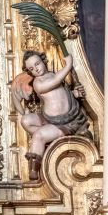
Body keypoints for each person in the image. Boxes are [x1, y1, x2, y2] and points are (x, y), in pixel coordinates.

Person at [13, 50, 90, 181]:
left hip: (66, 121)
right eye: (31, 68)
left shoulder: (53, 74)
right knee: (25, 120)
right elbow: (55, 82)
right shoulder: (38, 83)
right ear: (29, 71)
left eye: (37, 64)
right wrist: (68, 65)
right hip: (51, 119)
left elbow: (62, 94)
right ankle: (45, 144)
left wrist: (75, 94)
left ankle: (42, 146)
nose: (36, 69)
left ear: (43, 61)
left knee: (38, 135)